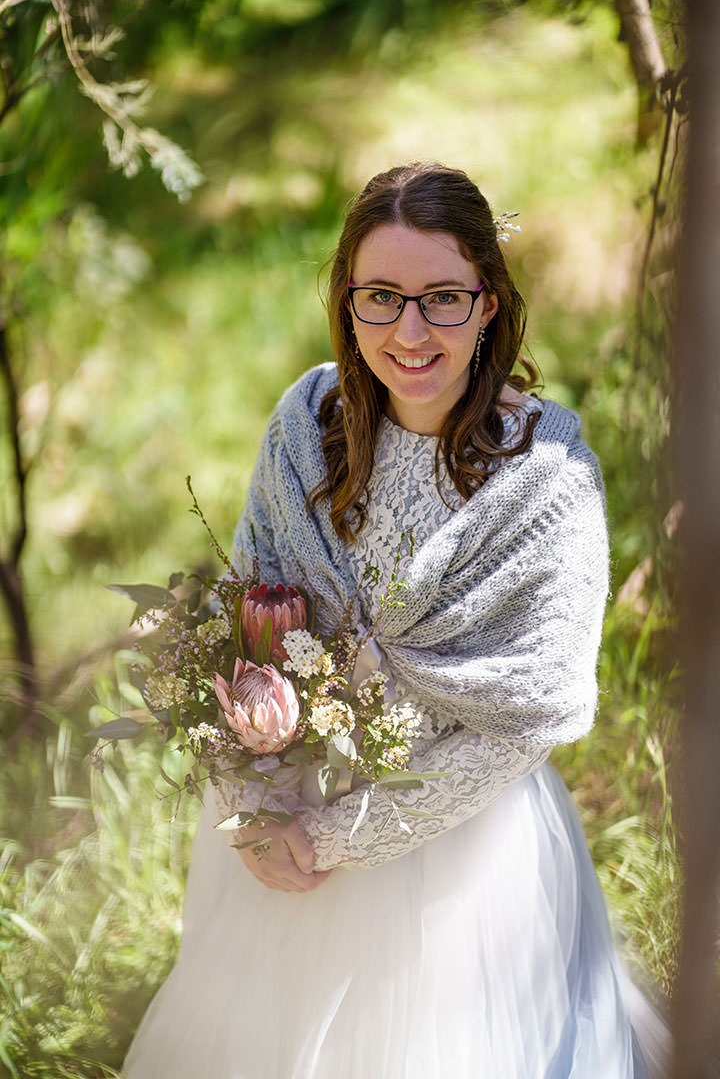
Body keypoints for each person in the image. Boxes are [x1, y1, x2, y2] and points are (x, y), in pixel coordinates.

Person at [123, 162, 666, 1078]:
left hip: (463, 856)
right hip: (282, 830)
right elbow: (245, 627)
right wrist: (257, 807)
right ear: (346, 301)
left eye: (443, 298)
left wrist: (337, 838)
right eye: (381, 297)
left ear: (489, 304)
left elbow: (530, 715)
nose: (410, 333)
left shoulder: (548, 474)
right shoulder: (308, 420)